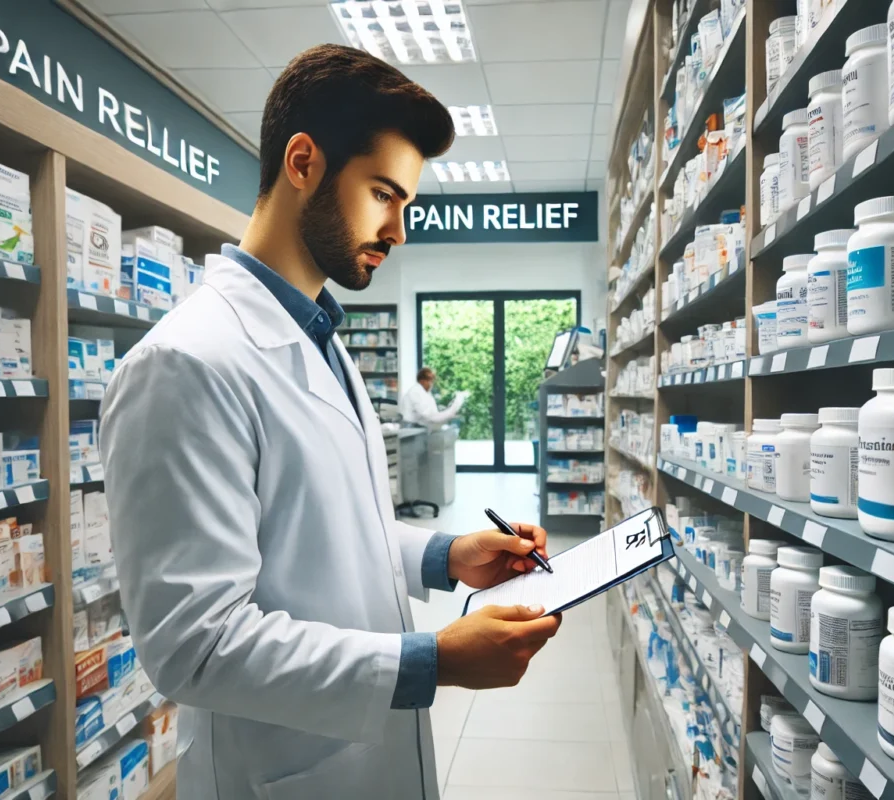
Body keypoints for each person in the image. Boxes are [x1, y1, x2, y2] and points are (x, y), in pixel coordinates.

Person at [99, 44, 562, 800]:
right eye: (384, 194)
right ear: (304, 162)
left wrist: (448, 556)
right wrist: (431, 662)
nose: (399, 230)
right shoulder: (186, 362)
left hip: (361, 756)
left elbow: (326, 527)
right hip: (281, 772)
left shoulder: (322, 343)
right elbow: (196, 647)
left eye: (405, 203)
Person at [399, 366, 467, 427]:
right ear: (422, 381)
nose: (432, 383)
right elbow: (431, 417)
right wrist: (452, 409)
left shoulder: (425, 393)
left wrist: (449, 412)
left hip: (420, 427)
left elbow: (433, 414)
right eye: (430, 380)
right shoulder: (415, 392)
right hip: (412, 428)